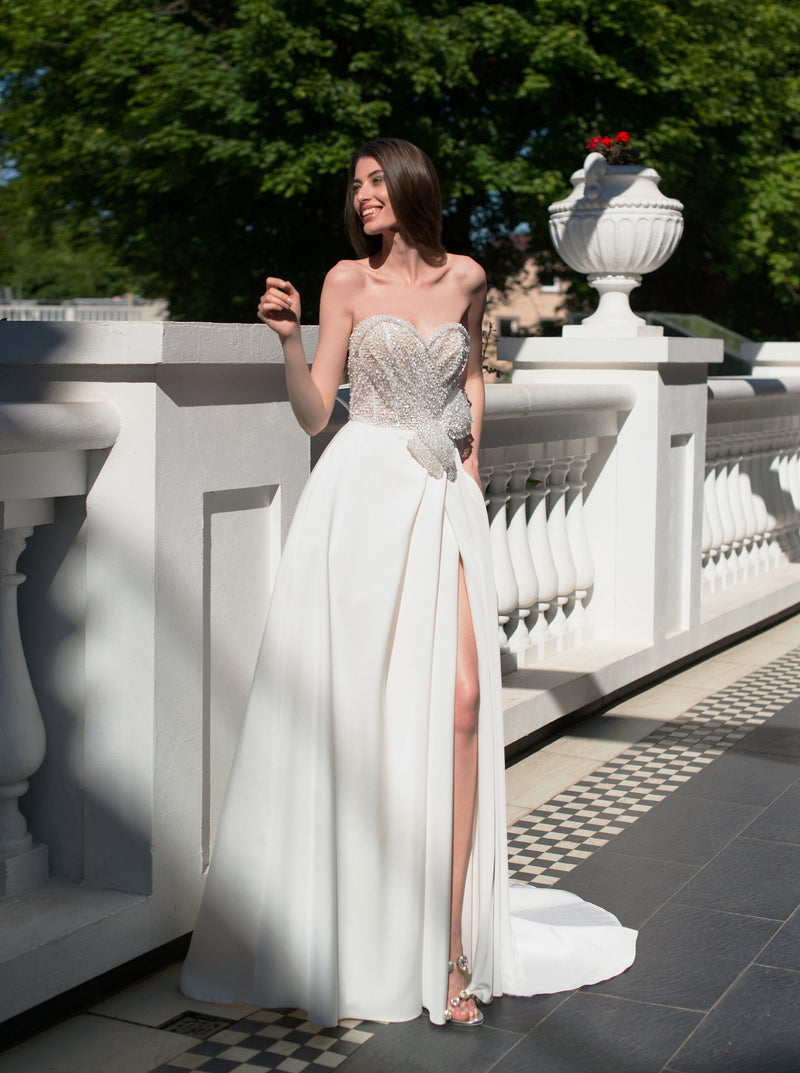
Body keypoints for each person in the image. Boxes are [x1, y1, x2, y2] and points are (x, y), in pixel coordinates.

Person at [180, 138, 636, 1028]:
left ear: (413, 184)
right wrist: (288, 339)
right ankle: (344, 931)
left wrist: (469, 486)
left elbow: (471, 387)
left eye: (377, 180)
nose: (364, 196)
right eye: (355, 186)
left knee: (463, 704)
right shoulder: (345, 282)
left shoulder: (466, 277)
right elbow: (318, 411)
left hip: (442, 502)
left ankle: (452, 948)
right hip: (358, 502)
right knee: (356, 714)